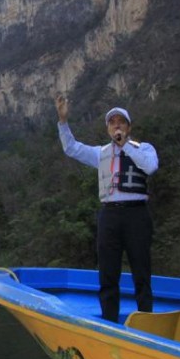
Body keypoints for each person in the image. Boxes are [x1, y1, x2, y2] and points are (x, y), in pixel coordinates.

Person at [55, 95, 159, 323]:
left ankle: (147, 323)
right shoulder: (101, 153)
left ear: (129, 127)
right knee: (108, 273)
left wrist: (125, 146)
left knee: (141, 270)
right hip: (110, 215)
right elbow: (71, 148)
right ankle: (109, 322)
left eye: (121, 121)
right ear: (107, 128)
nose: (117, 125)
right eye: (113, 122)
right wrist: (63, 122)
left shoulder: (144, 148)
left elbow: (150, 167)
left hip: (137, 214)